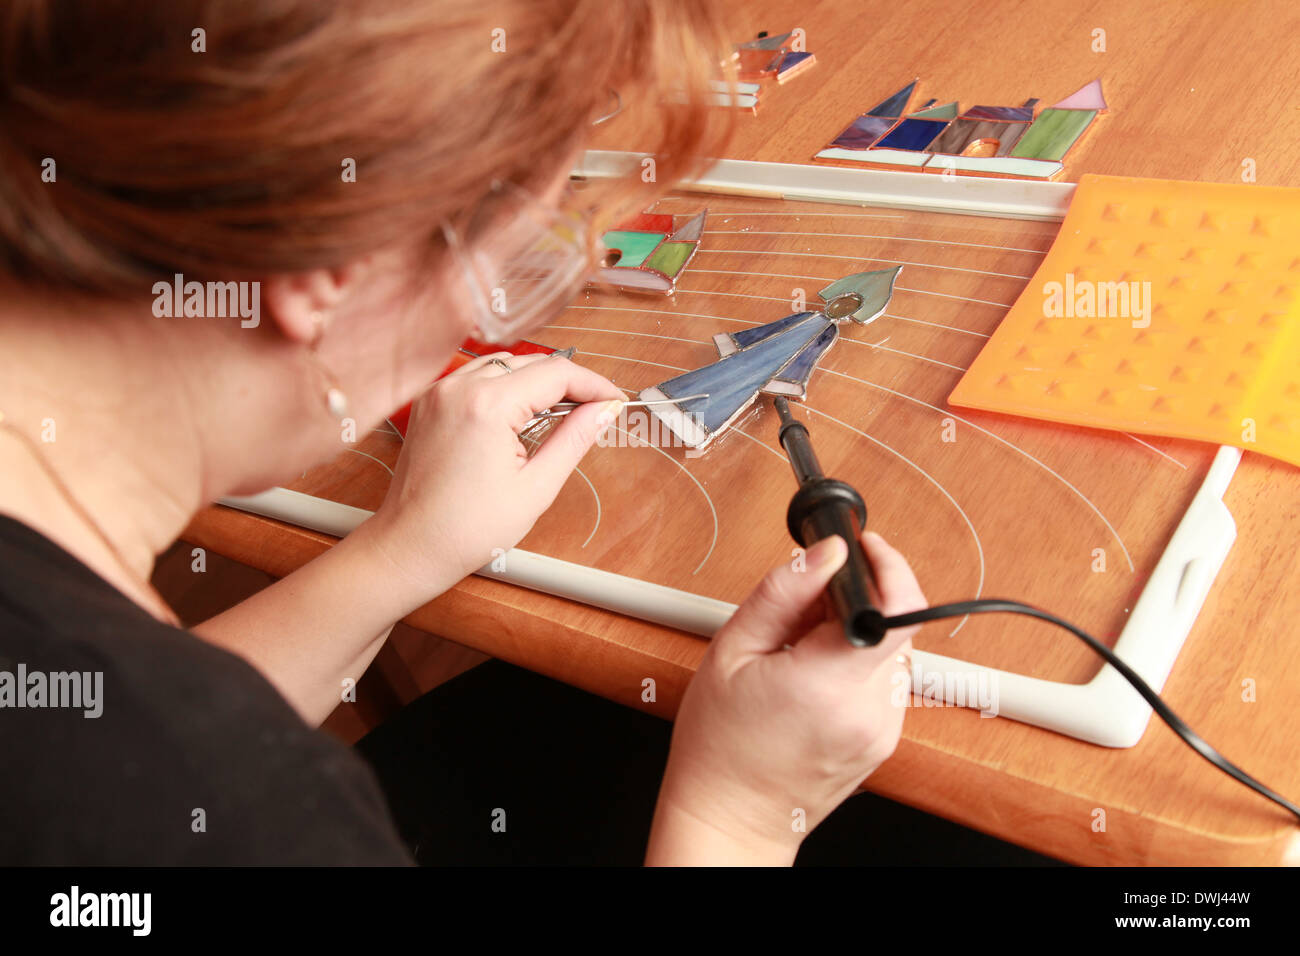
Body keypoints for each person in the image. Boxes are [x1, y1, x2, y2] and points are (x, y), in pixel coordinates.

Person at [0, 0, 926, 865]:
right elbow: (157, 767)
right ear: (332, 276)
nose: (482, 326)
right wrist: (740, 814)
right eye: (509, 271)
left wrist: (402, 551)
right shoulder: (255, 814)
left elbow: (130, 731)